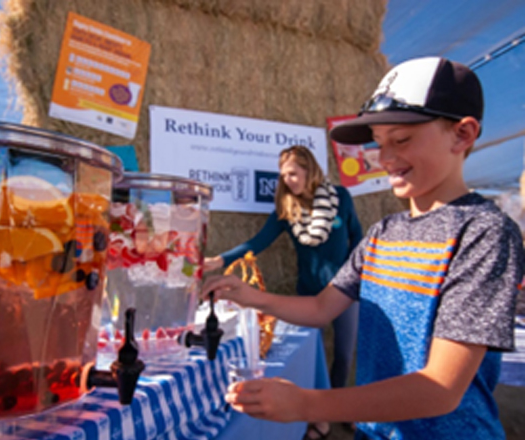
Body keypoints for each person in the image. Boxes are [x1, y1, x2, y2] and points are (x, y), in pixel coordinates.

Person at [201, 56, 525, 439]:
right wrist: (251, 296)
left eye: (401, 140)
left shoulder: (483, 233)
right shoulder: (383, 233)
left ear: (463, 134)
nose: (385, 158)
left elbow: (441, 388)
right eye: (380, 142)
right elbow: (322, 307)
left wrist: (307, 404)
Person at [204, 145, 362, 438]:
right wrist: (220, 260)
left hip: (345, 293)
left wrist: (354, 279)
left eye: (292, 173)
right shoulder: (286, 208)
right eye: (283, 175)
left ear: (308, 169)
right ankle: (315, 418)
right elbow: (257, 243)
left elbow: (358, 239)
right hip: (307, 295)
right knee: (307, 353)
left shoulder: (341, 198)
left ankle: (341, 409)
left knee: (343, 354)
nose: (287, 180)